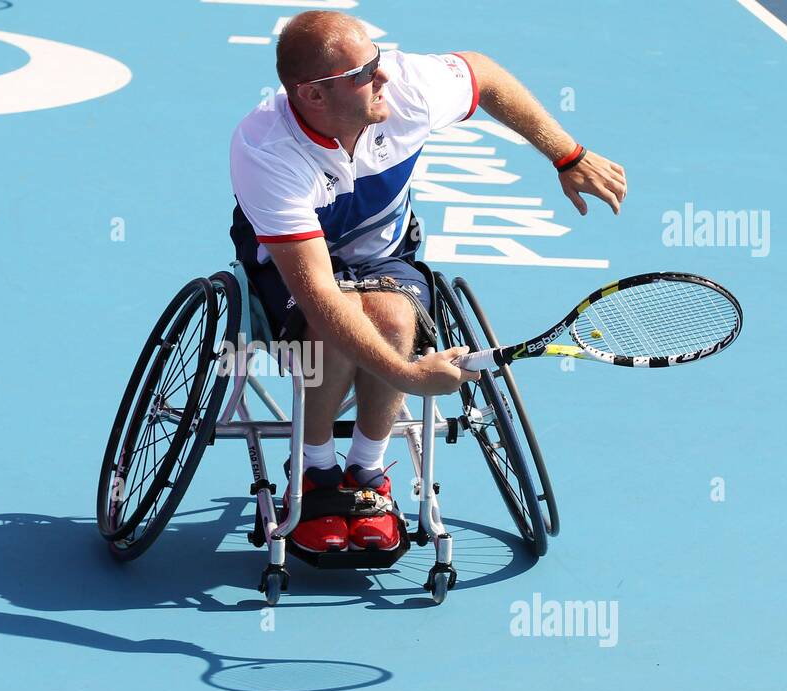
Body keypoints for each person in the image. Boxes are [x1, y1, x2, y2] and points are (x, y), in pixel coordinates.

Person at [229, 10, 627, 553]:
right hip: (290, 267)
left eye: (377, 60)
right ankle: (314, 470)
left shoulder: (404, 90)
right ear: (313, 96)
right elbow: (320, 296)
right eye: (364, 72)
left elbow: (482, 75)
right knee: (333, 332)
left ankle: (367, 471)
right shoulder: (265, 150)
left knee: (392, 317)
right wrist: (409, 376)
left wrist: (567, 154)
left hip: (384, 257)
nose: (383, 76)